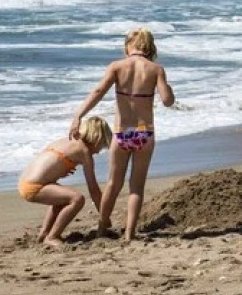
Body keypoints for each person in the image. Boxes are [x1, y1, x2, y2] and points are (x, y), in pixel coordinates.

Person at [69, 27, 176, 242]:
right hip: (144, 133)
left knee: (113, 184)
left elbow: (98, 92)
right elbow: (167, 101)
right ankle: (129, 234)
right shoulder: (156, 69)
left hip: (121, 133)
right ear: (149, 47)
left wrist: (78, 115)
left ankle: (102, 228)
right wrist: (167, 87)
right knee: (136, 187)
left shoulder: (117, 67)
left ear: (128, 46)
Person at [17, 116, 111, 247]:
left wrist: (61, 169)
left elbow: (47, 162)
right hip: (33, 187)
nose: (99, 151)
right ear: (97, 139)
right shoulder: (84, 152)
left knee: (62, 198)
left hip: (24, 181)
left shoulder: (67, 140)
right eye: (102, 145)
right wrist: (104, 217)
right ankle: (52, 236)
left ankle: (44, 233)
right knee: (77, 199)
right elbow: (93, 190)